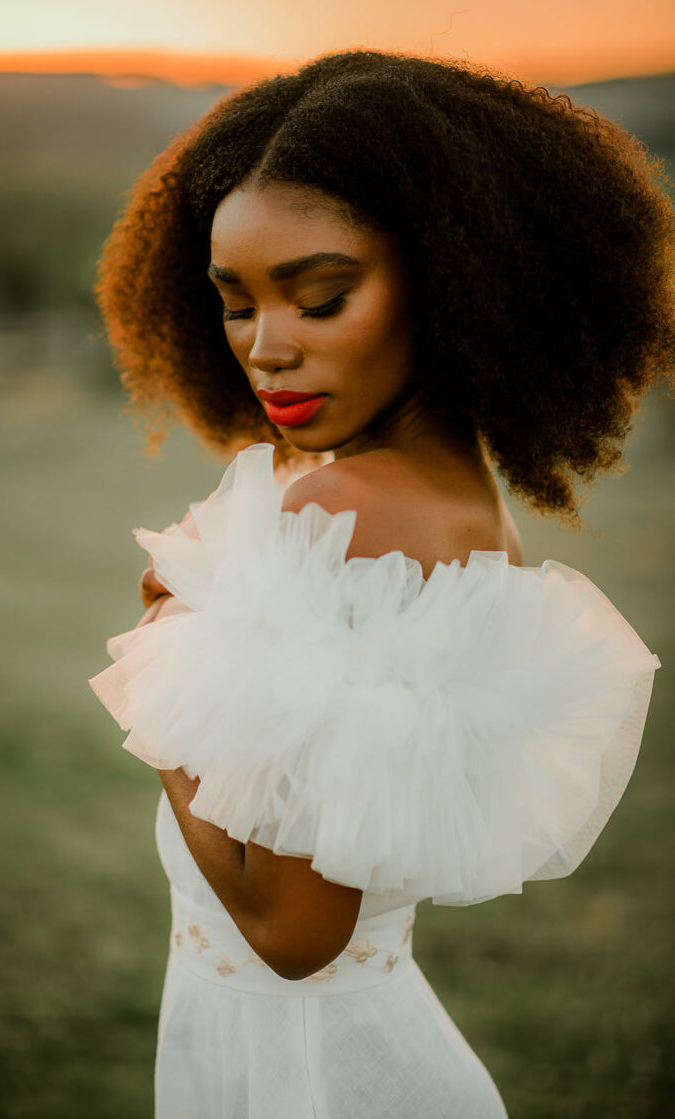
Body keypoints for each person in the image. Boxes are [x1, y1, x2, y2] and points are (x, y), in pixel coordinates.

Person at [89, 49, 674, 1118]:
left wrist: (160, 678)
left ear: (452, 280)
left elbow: (294, 935)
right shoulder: (452, 491)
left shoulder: (344, 515)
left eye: (321, 298)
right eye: (234, 304)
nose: (267, 349)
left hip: (314, 1079)